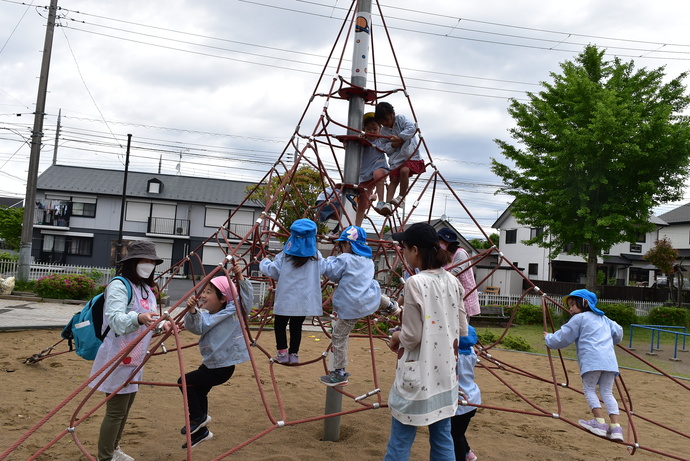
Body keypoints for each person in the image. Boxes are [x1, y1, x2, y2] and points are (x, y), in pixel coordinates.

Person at [383, 222, 468, 461]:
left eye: (405, 248)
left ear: (416, 250)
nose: (404, 254)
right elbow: (462, 328)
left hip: (417, 376)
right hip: (445, 377)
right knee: (442, 440)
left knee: (399, 442)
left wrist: (395, 337)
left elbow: (411, 336)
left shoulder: (415, 283)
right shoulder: (453, 281)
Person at [89, 240, 164, 461]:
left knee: (126, 407)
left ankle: (114, 449)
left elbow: (151, 318)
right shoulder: (119, 285)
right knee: (115, 411)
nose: (149, 264)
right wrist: (139, 318)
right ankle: (105, 456)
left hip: (135, 356)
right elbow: (116, 320)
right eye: (144, 260)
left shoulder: (145, 289)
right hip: (117, 356)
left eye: (152, 261)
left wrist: (162, 325)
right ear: (132, 262)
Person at [178, 262, 254, 449]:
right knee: (197, 390)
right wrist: (192, 311)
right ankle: (201, 431)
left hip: (223, 367)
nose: (203, 295)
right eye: (203, 291)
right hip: (211, 365)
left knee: (184, 381)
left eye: (209, 292)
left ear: (223, 299)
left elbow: (245, 299)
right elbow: (195, 328)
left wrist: (240, 277)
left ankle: (198, 418)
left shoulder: (234, 312)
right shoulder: (204, 317)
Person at [544, 289, 625, 441]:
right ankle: (616, 427)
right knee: (607, 392)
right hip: (609, 362)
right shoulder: (605, 319)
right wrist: (609, 340)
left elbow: (562, 337)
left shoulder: (579, 318)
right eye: (569, 305)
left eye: (573, 304)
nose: (570, 308)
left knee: (589, 389)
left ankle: (599, 422)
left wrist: (548, 338)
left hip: (592, 361)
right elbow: (619, 332)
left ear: (585, 303)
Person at [319, 225, 381, 386]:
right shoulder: (368, 261)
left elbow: (332, 273)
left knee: (339, 336)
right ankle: (390, 305)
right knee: (373, 285)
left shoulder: (345, 259)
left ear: (348, 245)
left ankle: (339, 372)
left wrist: (330, 259)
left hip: (351, 307)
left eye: (342, 245)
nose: (340, 248)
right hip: (367, 300)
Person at [260, 218, 325, 364]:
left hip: (286, 298)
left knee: (280, 324)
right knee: (297, 326)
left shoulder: (285, 256)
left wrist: (264, 262)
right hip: (304, 299)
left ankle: (282, 353)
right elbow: (323, 269)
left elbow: (273, 271)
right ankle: (294, 354)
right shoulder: (316, 256)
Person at [375, 102, 426, 215]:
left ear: (393, 114)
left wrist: (400, 138)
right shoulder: (384, 131)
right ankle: (388, 204)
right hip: (396, 159)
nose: (385, 124)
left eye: (387, 120)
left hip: (410, 155)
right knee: (393, 180)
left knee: (404, 171)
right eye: (382, 123)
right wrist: (393, 145)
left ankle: (401, 197)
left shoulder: (401, 119)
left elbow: (412, 128)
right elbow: (384, 148)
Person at [452, 325, 481, 461]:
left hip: (460, 402)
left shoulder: (454, 356)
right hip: (473, 398)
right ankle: (468, 453)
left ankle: (461, 457)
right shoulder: (471, 352)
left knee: (454, 435)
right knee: (458, 432)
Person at [437, 227, 480, 318]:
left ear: (448, 242)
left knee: (461, 327)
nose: (438, 244)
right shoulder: (444, 256)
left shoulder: (460, 254)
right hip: (450, 296)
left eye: (440, 241)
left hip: (464, 296)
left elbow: (454, 274)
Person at [357, 112, 390, 224]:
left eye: (375, 129)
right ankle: (357, 224)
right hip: (365, 173)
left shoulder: (381, 140)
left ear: (380, 130)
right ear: (364, 129)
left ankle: (381, 201)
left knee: (378, 175)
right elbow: (347, 145)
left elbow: (392, 146)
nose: (372, 131)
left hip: (380, 166)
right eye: (369, 129)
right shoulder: (361, 141)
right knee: (362, 199)